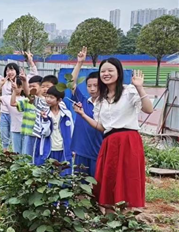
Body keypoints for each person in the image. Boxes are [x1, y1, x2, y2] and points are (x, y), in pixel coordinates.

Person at [74, 59, 153, 209]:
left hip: (128, 141)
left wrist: (140, 88)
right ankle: (110, 219)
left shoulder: (129, 91)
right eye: (103, 71)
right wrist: (83, 115)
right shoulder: (100, 100)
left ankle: (126, 218)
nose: (106, 74)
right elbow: (102, 127)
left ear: (118, 72)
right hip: (109, 142)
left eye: (110, 70)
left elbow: (148, 109)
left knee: (128, 178)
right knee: (108, 180)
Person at [69, 46, 102, 177]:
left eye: (96, 85)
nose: (92, 89)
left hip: (97, 152)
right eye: (89, 86)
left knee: (96, 184)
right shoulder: (82, 101)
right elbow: (71, 83)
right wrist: (79, 63)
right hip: (81, 151)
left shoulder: (106, 105)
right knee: (79, 184)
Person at [34, 87, 74, 175]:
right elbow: (45, 133)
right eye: (47, 96)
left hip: (63, 148)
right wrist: (45, 120)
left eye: (51, 97)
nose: (48, 99)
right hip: (49, 149)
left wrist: (73, 149)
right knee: (49, 176)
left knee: (64, 175)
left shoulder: (67, 114)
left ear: (59, 100)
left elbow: (71, 131)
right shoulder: (44, 114)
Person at [0, 77, 25, 153]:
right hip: (15, 129)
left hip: (26, 129)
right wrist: (0, 85)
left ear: (22, 88)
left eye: (18, 86)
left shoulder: (24, 99)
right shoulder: (7, 98)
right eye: (14, 86)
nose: (16, 88)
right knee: (16, 151)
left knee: (25, 151)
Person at [15, 74, 42, 156]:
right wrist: (24, 81)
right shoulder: (30, 100)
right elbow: (28, 94)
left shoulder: (46, 101)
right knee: (27, 157)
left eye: (33, 86)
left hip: (40, 135)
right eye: (29, 86)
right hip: (29, 133)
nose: (31, 88)